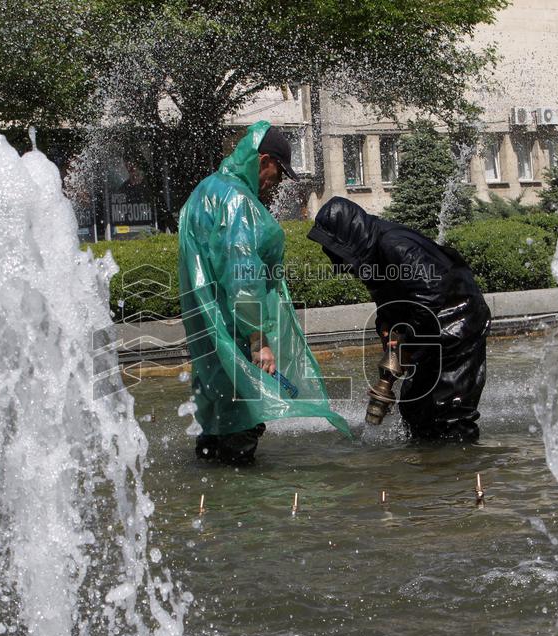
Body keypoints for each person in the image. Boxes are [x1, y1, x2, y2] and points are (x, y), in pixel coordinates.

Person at [177, 121, 350, 463]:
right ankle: (247, 511)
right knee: (242, 426)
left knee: (214, 428)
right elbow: (242, 273)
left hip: (210, 335)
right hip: (235, 333)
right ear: (264, 160)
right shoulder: (237, 201)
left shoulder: (205, 191)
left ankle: (214, 505)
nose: (277, 183)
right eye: (278, 173)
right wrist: (258, 339)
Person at [308, 197, 491, 440]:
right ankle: (427, 470)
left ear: (348, 239)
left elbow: (430, 294)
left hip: (457, 325)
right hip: (429, 330)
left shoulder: (394, 244)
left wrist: (405, 342)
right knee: (415, 409)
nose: (342, 264)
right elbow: (388, 298)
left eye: (338, 254)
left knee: (450, 413)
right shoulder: (369, 254)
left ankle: (461, 470)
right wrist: (386, 326)